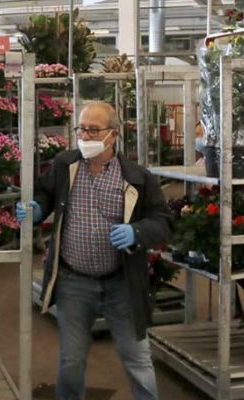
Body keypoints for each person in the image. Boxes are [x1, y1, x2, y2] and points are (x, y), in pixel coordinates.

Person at [16, 101, 173, 400]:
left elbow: (164, 222)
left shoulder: (138, 177)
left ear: (113, 135)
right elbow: (45, 193)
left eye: (92, 130)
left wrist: (136, 232)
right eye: (81, 129)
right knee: (71, 360)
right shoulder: (65, 166)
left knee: (137, 359)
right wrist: (37, 209)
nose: (84, 136)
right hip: (75, 281)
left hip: (121, 283)